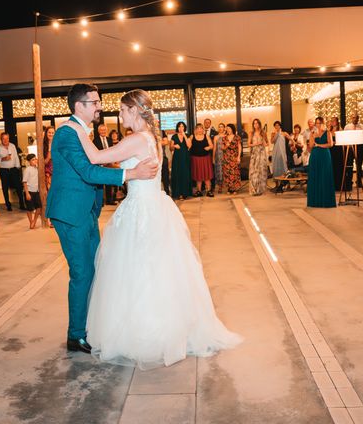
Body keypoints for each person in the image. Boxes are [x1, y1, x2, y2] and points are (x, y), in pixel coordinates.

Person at [62, 89, 241, 369]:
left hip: (140, 211)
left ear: (134, 111)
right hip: (153, 206)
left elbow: (96, 158)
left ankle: (143, 332)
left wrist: (77, 129)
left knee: (137, 270)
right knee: (156, 269)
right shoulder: (150, 139)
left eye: (122, 110)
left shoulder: (135, 140)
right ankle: (162, 325)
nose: (119, 115)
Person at [46, 83, 158, 355]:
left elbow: (97, 163)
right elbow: (87, 171)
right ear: (79, 106)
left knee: (97, 269)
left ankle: (91, 326)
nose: (99, 106)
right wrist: (130, 175)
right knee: (82, 272)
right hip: (70, 213)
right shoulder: (67, 133)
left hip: (86, 211)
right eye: (94, 102)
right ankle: (76, 335)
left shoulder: (84, 132)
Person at [307, 117, 336, 208]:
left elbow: (330, 144)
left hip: (324, 155)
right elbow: (311, 146)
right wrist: (311, 137)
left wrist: (319, 145)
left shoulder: (327, 132)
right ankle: (315, 201)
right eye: (317, 123)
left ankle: (326, 201)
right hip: (315, 156)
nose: (318, 125)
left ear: (323, 123)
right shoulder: (313, 133)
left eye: (319, 123)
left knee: (325, 176)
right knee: (315, 176)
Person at [0, 132, 25, 212]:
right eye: (4, 138)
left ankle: (22, 204)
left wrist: (18, 167)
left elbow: (16, 157)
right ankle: (8, 205)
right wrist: (3, 159)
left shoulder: (12, 146)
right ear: (1, 139)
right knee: (5, 188)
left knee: (19, 187)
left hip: (13, 169)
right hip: (4, 170)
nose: (6, 140)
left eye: (7, 138)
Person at [93, 124, 118, 205]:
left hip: (109, 164)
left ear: (106, 131)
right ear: (99, 131)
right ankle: (101, 201)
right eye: (101, 130)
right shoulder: (95, 141)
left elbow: (113, 151)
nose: (103, 131)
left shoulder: (109, 140)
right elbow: (95, 153)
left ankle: (109, 200)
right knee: (100, 184)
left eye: (104, 130)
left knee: (109, 182)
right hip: (100, 164)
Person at [189, 124, 214, 197]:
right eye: (198, 128)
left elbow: (212, 146)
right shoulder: (192, 136)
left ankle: (209, 191)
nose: (199, 130)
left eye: (201, 128)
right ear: (195, 129)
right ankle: (199, 191)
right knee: (198, 175)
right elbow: (188, 145)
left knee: (207, 175)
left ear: (203, 129)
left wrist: (209, 147)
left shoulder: (206, 136)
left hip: (205, 158)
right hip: (196, 159)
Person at [344, 112, 363, 185]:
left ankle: (359, 181)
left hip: (359, 148)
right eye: (354, 117)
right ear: (351, 118)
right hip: (350, 148)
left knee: (359, 165)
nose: (355, 119)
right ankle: (349, 181)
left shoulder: (362, 127)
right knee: (349, 164)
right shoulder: (347, 127)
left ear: (358, 118)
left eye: (356, 118)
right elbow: (345, 137)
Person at [170, 121, 192, 200]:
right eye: (179, 126)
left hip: (185, 158)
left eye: (182, 126)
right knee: (177, 174)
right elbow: (170, 148)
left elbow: (189, 146)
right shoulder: (174, 136)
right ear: (177, 128)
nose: (181, 128)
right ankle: (178, 193)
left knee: (185, 174)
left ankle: (185, 193)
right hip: (177, 159)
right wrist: (174, 146)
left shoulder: (188, 135)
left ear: (184, 127)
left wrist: (184, 136)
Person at [248, 118, 268, 196]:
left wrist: (263, 142)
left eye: (257, 123)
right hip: (254, 153)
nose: (255, 125)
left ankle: (261, 189)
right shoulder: (251, 133)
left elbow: (267, 143)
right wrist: (256, 144)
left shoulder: (263, 132)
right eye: (254, 123)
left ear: (259, 124)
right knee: (254, 171)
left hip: (262, 153)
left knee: (261, 171)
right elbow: (249, 144)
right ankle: (254, 190)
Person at [22, 153, 41, 229]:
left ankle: (34, 221)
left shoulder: (37, 169)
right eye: (33, 160)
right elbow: (24, 182)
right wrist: (27, 193)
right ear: (29, 161)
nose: (35, 160)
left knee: (39, 208)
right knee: (29, 209)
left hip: (36, 191)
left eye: (35, 159)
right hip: (29, 191)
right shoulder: (27, 170)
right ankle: (31, 222)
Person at [222, 124, 242, 194]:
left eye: (229, 128)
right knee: (227, 173)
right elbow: (222, 148)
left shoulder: (237, 137)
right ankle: (229, 188)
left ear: (232, 129)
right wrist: (226, 146)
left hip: (234, 157)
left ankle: (235, 188)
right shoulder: (224, 138)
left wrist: (239, 157)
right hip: (227, 158)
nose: (228, 130)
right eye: (227, 128)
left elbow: (239, 147)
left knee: (234, 173)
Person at [213, 123, 226, 193]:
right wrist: (213, 157)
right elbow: (214, 148)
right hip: (218, 156)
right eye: (219, 127)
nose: (220, 128)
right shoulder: (216, 137)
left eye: (222, 127)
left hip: (226, 155)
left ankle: (227, 185)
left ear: (224, 128)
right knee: (219, 171)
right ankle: (220, 187)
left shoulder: (226, 136)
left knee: (226, 170)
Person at [43, 126, 55, 192]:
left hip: (57, 170)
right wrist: (48, 158)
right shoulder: (43, 145)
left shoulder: (57, 144)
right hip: (48, 171)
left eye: (53, 133)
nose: (51, 134)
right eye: (49, 132)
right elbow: (42, 163)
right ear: (46, 133)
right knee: (50, 190)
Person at [160, 130, 171, 195]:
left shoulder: (162, 132)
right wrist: (161, 141)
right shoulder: (148, 132)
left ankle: (167, 192)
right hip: (152, 159)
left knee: (165, 176)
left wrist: (155, 142)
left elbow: (166, 142)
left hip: (163, 157)